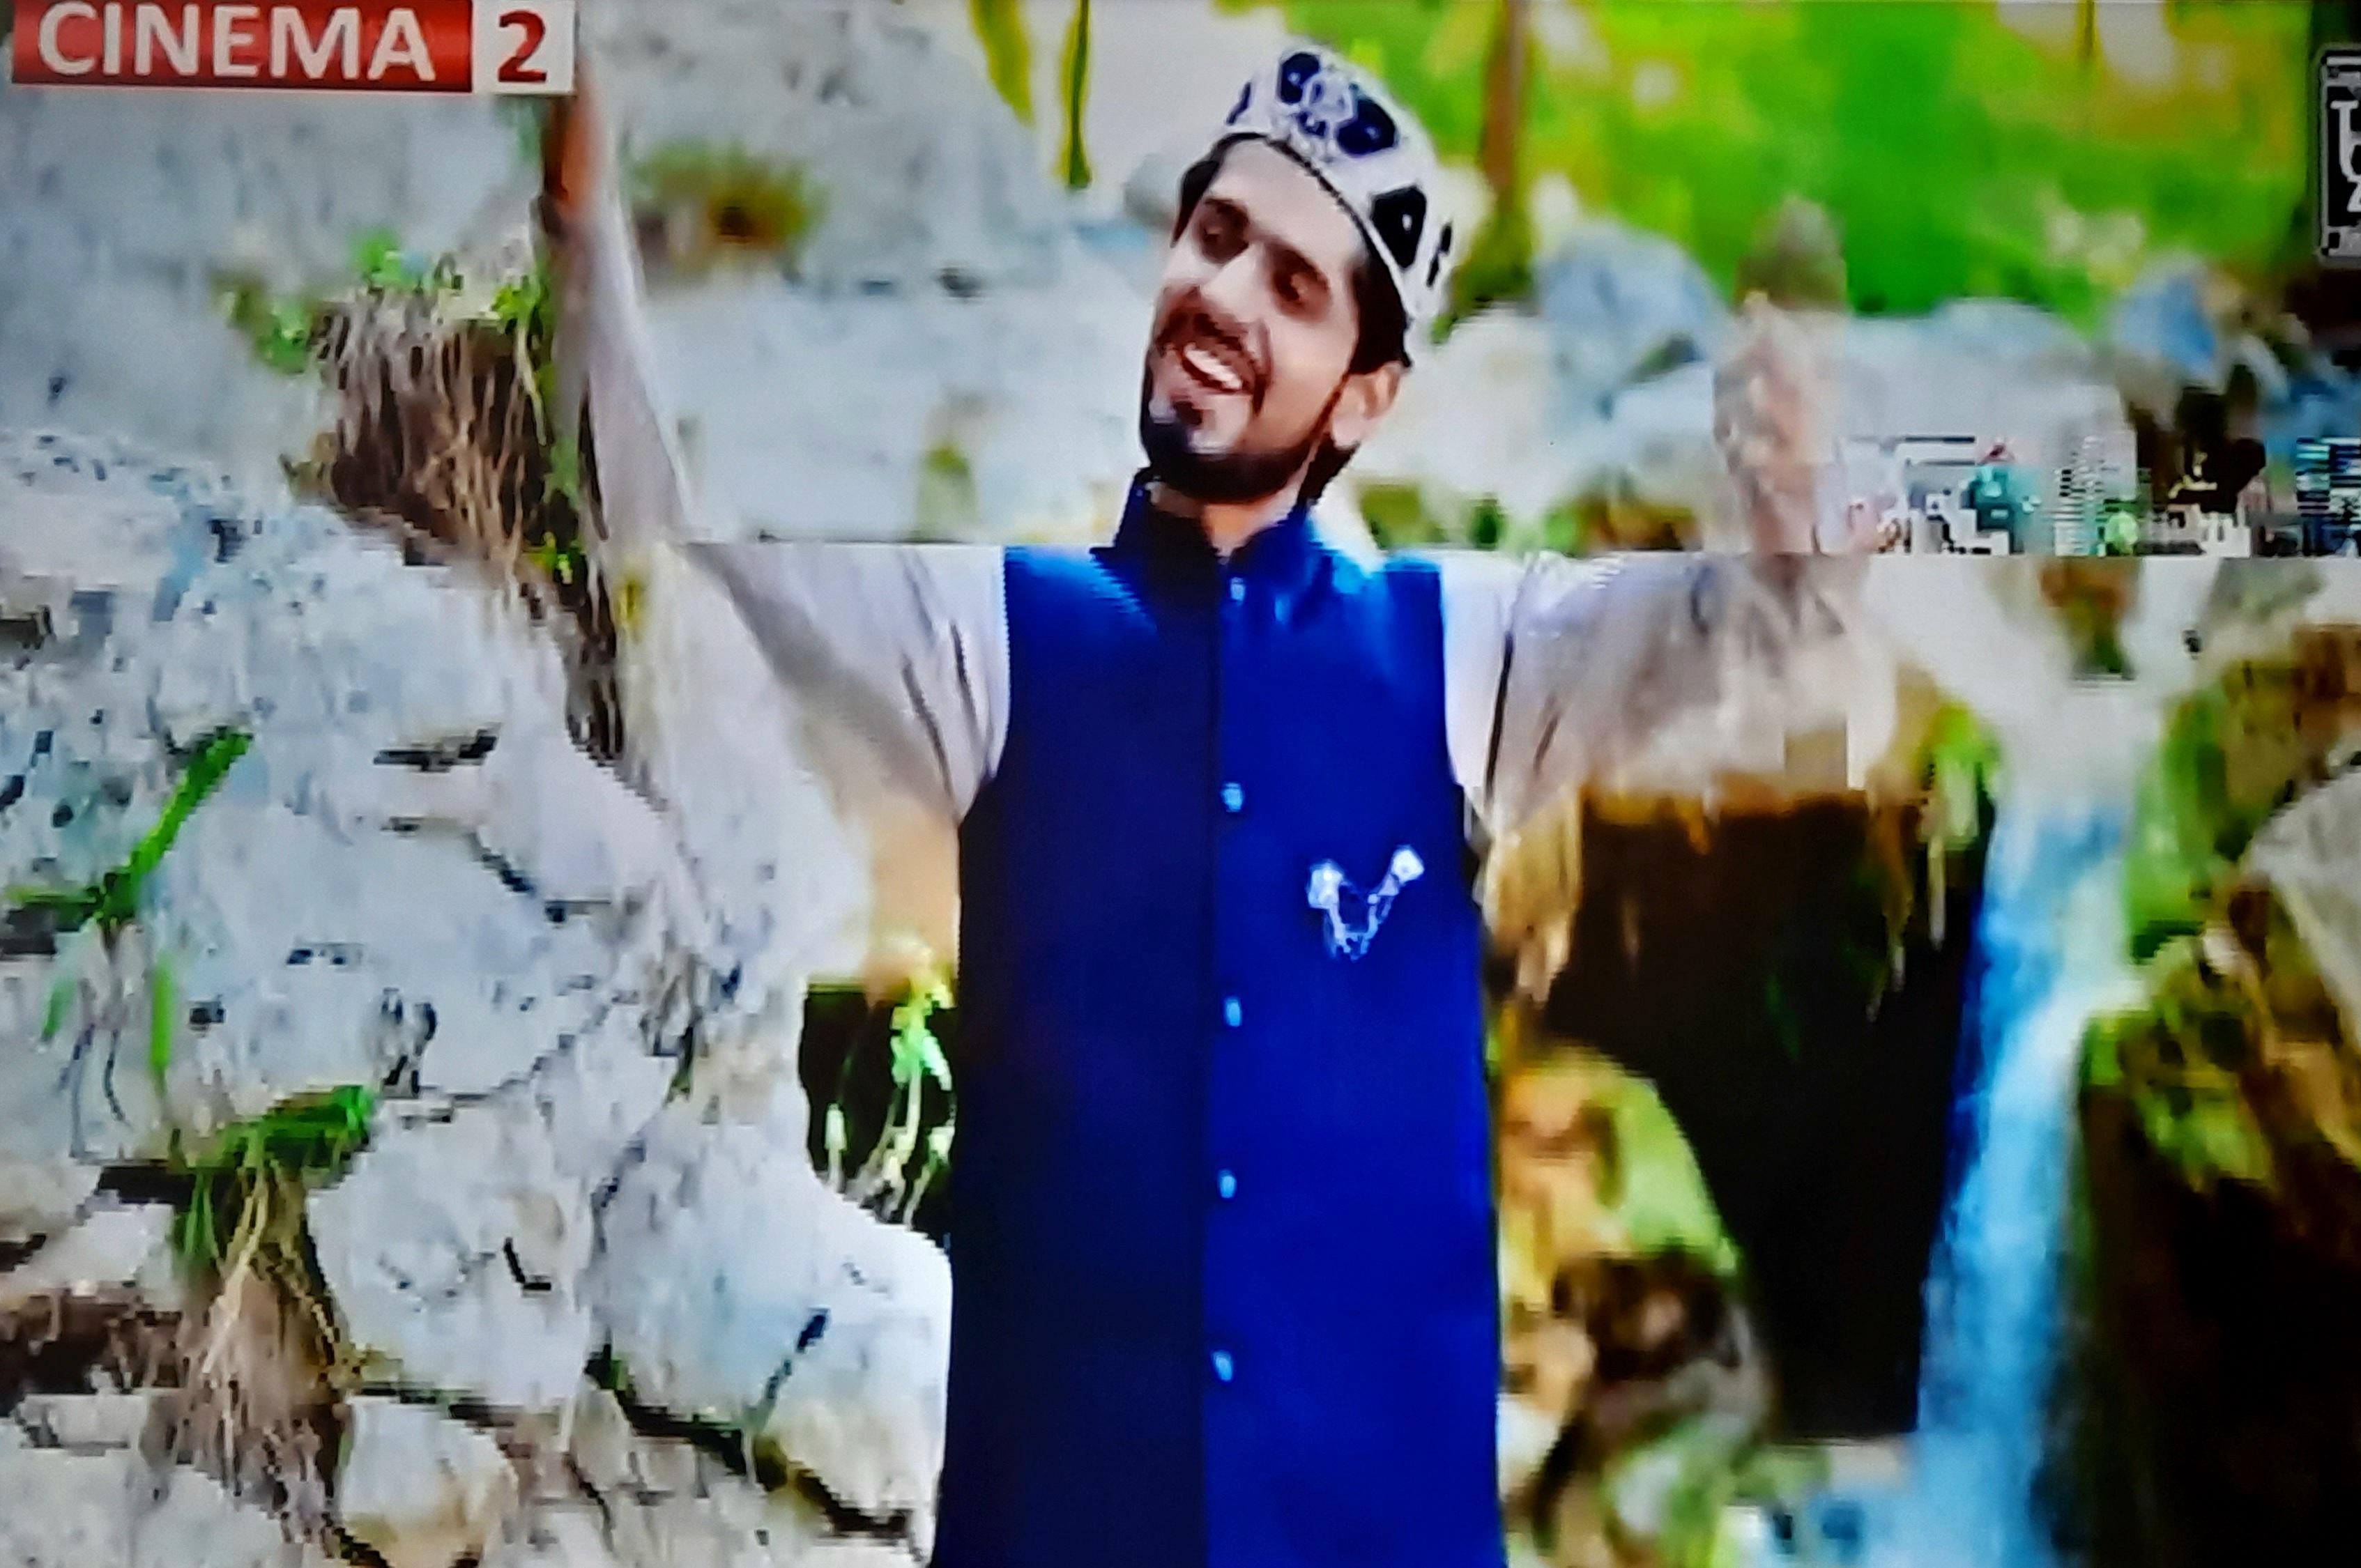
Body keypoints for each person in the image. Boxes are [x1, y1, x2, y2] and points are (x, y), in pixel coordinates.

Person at [547, 43, 1871, 1568]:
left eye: (1294, 288)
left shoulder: (1468, 657)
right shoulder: (995, 638)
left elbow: (1755, 635)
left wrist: (1800, 499)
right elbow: (654, 534)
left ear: (1364, 398)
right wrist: (581, 222)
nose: (1227, 295)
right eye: (1216, 237)